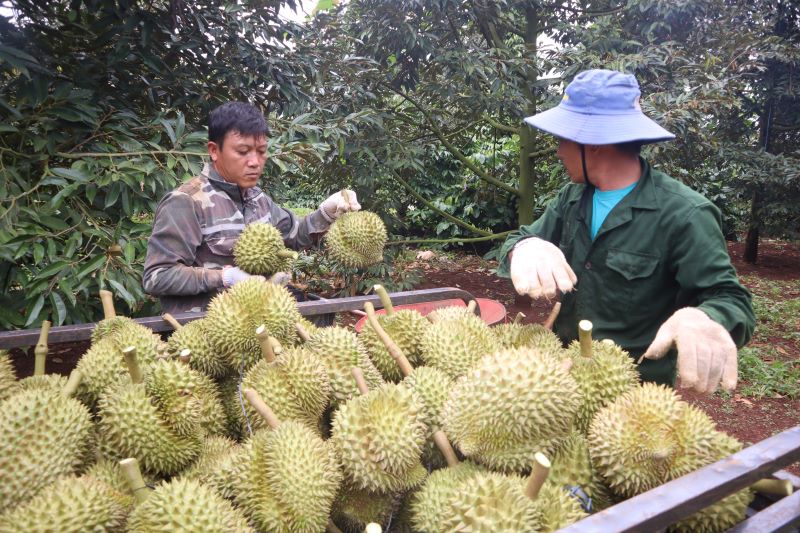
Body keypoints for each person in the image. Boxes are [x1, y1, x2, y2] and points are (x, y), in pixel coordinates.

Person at [497, 69, 754, 394]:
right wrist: (526, 245)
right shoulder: (571, 198)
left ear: (594, 144)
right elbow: (516, 242)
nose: (559, 151)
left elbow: (731, 299)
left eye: (562, 139)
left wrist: (704, 318)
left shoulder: (685, 214)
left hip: (632, 393)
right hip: (559, 381)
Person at [143, 101, 360, 314]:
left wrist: (326, 213)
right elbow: (158, 276)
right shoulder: (186, 202)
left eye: (261, 151)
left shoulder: (258, 199)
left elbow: (294, 236)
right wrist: (224, 277)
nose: (255, 161)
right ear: (214, 151)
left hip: (258, 327)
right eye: (243, 151)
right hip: (204, 333)